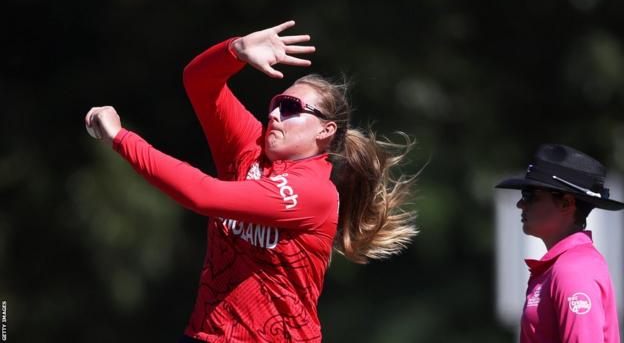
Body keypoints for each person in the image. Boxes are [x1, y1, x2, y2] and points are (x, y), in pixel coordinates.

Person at [84, 20, 418, 342]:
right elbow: (200, 83)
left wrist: (121, 138)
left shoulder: (314, 192)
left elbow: (202, 194)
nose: (274, 114)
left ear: (325, 131)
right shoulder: (250, 146)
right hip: (204, 335)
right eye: (275, 105)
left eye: (290, 108)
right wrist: (235, 50)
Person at [495, 143, 623, 343]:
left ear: (566, 203)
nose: (520, 204)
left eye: (531, 196)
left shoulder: (573, 269)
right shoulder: (561, 267)